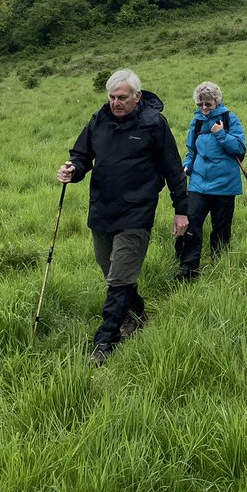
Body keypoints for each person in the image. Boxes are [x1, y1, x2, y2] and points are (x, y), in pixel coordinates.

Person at [57, 69, 188, 366]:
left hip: (137, 213)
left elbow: (173, 168)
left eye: (122, 98)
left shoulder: (153, 124)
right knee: (113, 273)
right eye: (112, 97)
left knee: (118, 279)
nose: (116, 103)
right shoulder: (98, 120)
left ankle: (106, 340)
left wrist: (182, 210)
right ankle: (137, 313)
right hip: (101, 210)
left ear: (137, 97)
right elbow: (81, 156)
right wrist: (72, 170)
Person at [175, 81, 247, 282]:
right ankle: (188, 269)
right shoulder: (196, 121)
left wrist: (221, 134)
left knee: (221, 227)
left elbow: (240, 149)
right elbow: (191, 151)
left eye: (208, 104)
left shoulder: (229, 118)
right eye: (200, 104)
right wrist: (186, 165)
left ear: (217, 101)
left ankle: (220, 265)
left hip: (225, 184)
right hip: (198, 182)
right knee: (192, 223)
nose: (204, 108)